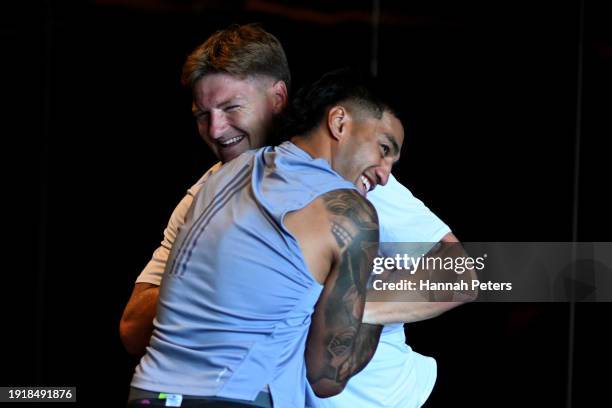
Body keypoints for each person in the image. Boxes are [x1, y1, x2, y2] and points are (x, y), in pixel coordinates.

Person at [121, 24, 466, 407]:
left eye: (232, 107)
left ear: (278, 98)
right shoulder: (209, 191)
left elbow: (460, 270)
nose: (216, 130)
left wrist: (351, 305)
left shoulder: (352, 181)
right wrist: (225, 285)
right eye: (203, 114)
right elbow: (134, 328)